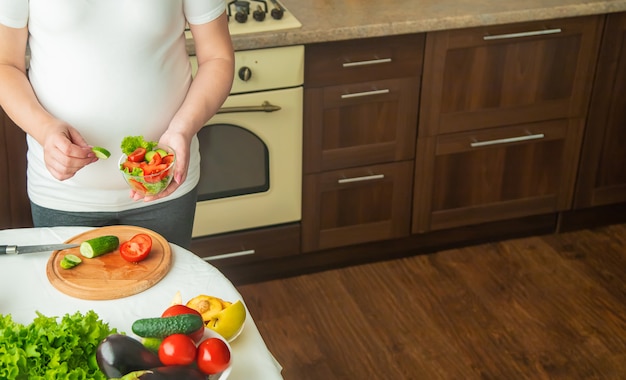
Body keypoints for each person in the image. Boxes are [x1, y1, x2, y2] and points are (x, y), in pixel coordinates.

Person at [0, 1, 235, 249]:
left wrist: (182, 129)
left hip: (164, 186)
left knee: (168, 287)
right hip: (63, 194)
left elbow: (217, 57)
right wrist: (44, 130)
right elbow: (5, 64)